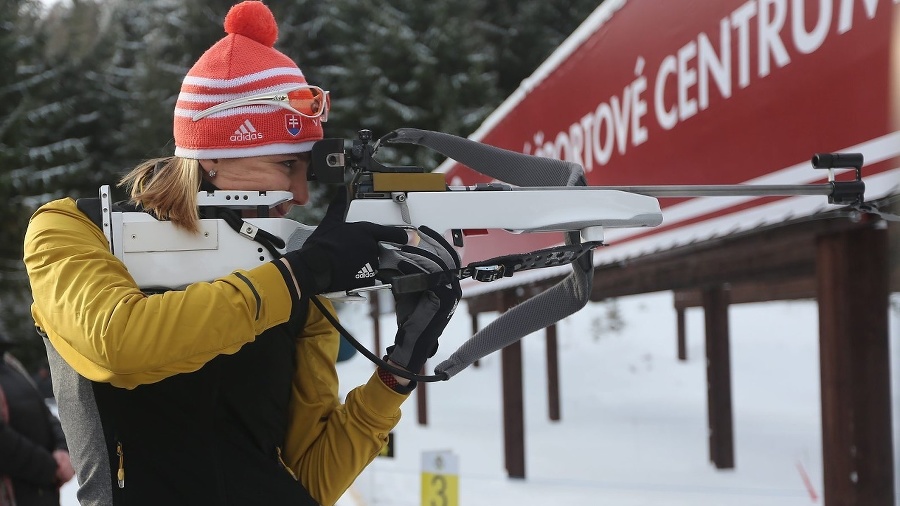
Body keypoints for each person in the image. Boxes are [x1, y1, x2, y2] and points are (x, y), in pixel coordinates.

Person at [22, 2, 461, 505]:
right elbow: (120, 345)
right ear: (211, 155)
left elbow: (309, 481)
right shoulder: (71, 230)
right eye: (284, 165)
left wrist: (397, 373)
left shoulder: (286, 264)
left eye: (307, 171)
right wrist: (298, 277)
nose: (300, 195)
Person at [0, 332, 75, 506]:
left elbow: (44, 411)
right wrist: (50, 468)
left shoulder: (10, 362)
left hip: (42, 494)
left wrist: (63, 449)